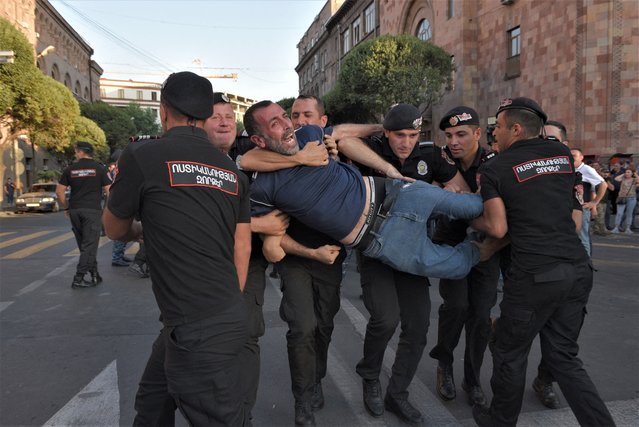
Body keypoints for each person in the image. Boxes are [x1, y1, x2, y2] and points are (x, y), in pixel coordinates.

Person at [104, 72, 251, 426]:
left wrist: (140, 227)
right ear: (205, 116)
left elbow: (113, 228)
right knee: (153, 403)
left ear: (163, 110)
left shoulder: (143, 155)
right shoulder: (232, 172)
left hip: (196, 326)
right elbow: (241, 246)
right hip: (221, 313)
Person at [471, 97, 615, 427]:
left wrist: (465, 216)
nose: (495, 134)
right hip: (577, 269)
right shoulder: (563, 156)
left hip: (534, 275)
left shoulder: (495, 167)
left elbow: (497, 227)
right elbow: (572, 216)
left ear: (517, 129)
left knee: (509, 353)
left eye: (499, 127)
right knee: (564, 358)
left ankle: (499, 421)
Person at [240, 94, 381, 426]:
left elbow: (347, 135)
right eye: (293, 115)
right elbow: (246, 162)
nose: (298, 121)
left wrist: (378, 128)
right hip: (295, 257)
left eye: (306, 116)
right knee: (302, 327)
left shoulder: (323, 148)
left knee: (325, 324)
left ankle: (315, 378)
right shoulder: (268, 171)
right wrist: (299, 160)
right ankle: (303, 399)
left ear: (321, 122)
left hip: (330, 255)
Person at [244, 100, 493, 281]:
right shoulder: (261, 187)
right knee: (457, 266)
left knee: (474, 205)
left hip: (398, 196)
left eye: (285, 117)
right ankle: (491, 246)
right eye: (274, 124)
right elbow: (273, 245)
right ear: (258, 140)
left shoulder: (309, 133)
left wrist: (384, 126)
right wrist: (308, 252)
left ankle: (520, 222)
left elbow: (342, 133)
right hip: (383, 241)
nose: (288, 125)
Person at [351, 103, 468, 424]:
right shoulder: (370, 149)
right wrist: (375, 131)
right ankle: (371, 376)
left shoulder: (430, 155)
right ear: (386, 132)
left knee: (417, 325)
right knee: (386, 319)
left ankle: (397, 393)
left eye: (413, 135)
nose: (406, 142)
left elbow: (461, 188)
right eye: (399, 134)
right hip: (375, 250)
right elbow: (341, 137)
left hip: (412, 251)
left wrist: (436, 192)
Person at [429, 106, 500, 408]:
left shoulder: (495, 164)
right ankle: (444, 364)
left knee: (481, 317)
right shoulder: (440, 160)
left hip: (486, 248)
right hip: (451, 244)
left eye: (460, 134)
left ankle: (472, 379)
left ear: (477, 134)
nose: (453, 141)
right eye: (448, 135)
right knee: (456, 307)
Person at [56, 141, 111, 288]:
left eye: (76, 151)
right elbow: (109, 191)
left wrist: (67, 207)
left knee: (85, 245)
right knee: (90, 245)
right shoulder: (99, 169)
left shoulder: (70, 169)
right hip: (92, 211)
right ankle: (78, 278)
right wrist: (106, 209)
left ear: (81, 152)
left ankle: (94, 274)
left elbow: (59, 192)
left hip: (75, 211)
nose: (75, 154)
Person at [570, 147, 606, 256]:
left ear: (581, 157)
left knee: (582, 237)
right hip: (571, 208)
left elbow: (603, 184)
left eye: (574, 156)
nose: (571, 158)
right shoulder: (570, 169)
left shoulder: (586, 169)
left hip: (582, 209)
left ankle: (586, 264)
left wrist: (594, 202)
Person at [611, 167, 638, 233]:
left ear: (632, 173)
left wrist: (635, 174)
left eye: (629, 172)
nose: (627, 173)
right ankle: (616, 227)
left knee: (629, 213)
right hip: (622, 198)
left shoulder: (634, 180)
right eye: (626, 172)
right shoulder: (622, 179)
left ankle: (628, 228)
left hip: (631, 198)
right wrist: (623, 174)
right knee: (619, 213)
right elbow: (616, 179)